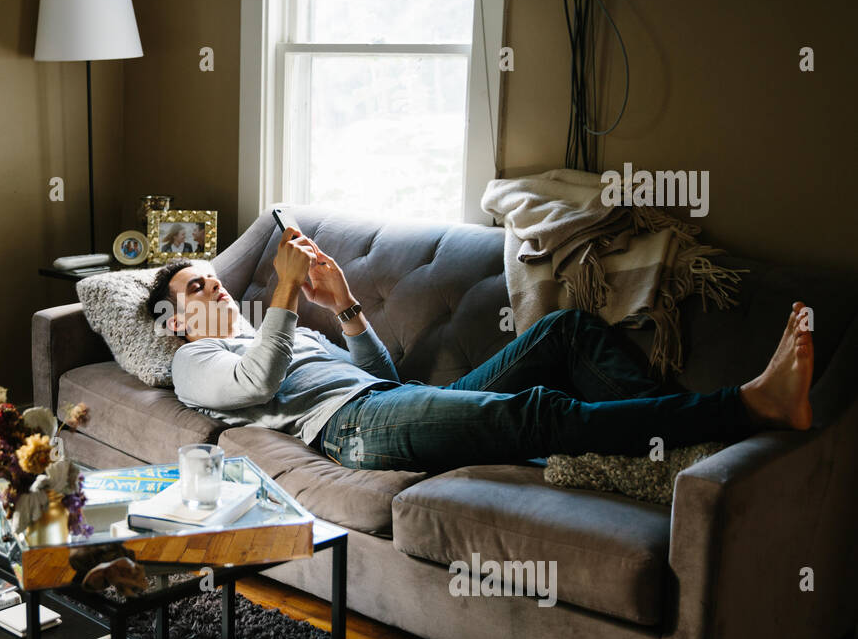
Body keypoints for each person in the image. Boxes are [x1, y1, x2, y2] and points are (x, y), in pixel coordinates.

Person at [146, 228, 814, 473]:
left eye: (217, 278)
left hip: (385, 401)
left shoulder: (284, 329)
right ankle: (743, 408)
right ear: (177, 324)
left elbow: (379, 375)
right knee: (538, 411)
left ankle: (672, 449)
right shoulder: (192, 365)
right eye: (200, 287)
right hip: (354, 434)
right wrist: (287, 293)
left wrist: (344, 303)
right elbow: (259, 387)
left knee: (567, 329)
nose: (221, 289)